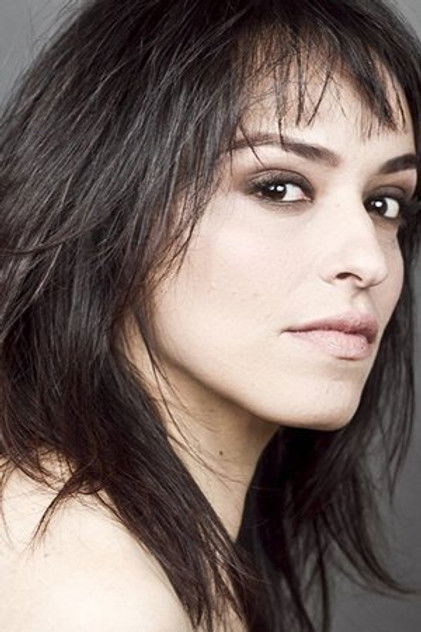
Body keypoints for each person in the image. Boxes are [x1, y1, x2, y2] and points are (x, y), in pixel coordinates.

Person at [0, 0, 420, 630]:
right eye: (279, 187)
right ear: (113, 202)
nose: (369, 261)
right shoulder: (92, 593)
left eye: (384, 203)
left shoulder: (137, 548)